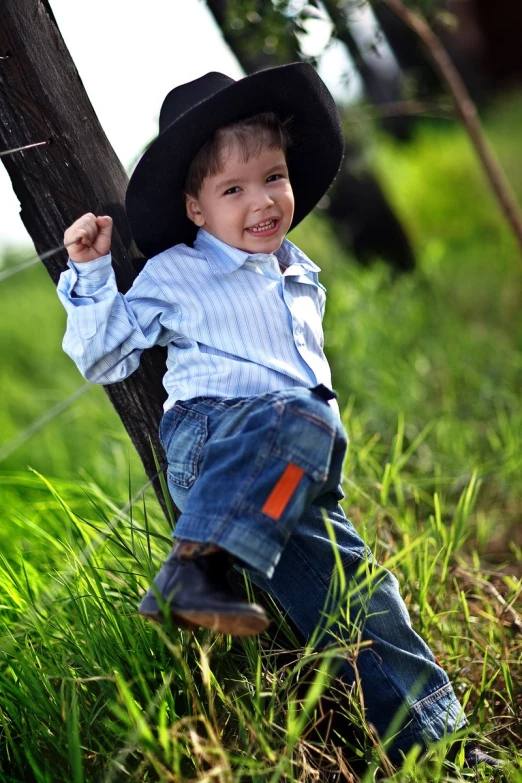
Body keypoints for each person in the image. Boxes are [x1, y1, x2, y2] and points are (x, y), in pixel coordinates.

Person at [57, 64, 502, 768]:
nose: (261, 201)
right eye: (233, 189)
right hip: (220, 443)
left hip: (292, 474)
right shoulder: (180, 271)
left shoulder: (298, 273)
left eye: (273, 177)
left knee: (361, 598)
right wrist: (87, 274)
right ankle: (194, 564)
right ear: (196, 209)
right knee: (297, 419)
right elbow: (106, 357)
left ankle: (438, 746)